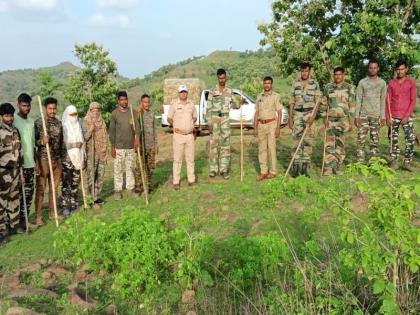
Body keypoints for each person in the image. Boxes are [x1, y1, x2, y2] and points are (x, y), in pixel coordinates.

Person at [206, 68, 242, 180]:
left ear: (226, 78)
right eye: (220, 78)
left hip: (225, 119)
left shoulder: (230, 91)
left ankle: (224, 170)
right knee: (213, 145)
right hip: (215, 119)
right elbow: (208, 108)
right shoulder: (212, 91)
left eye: (223, 78)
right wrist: (209, 123)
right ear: (217, 78)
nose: (222, 80)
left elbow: (235, 105)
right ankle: (213, 170)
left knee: (225, 145)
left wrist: (239, 103)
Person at [289, 62, 321, 177]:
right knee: (296, 141)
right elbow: (292, 101)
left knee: (308, 141)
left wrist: (313, 117)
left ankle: (305, 168)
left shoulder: (315, 84)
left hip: (309, 114)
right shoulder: (295, 84)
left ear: (310, 71)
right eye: (302, 71)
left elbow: (318, 102)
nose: (304, 73)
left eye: (306, 71)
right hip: (298, 114)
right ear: (300, 71)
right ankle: (296, 168)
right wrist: (290, 118)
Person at [34, 97, 63, 226]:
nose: (52, 111)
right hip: (43, 160)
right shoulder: (39, 123)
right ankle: (39, 217)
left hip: (56, 160)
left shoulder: (58, 123)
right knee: (41, 189)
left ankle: (53, 213)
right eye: (50, 108)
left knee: (54, 188)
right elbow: (33, 142)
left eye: (54, 108)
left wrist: (60, 159)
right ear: (45, 108)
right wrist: (42, 142)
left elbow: (60, 143)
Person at [322, 67, 355, 176]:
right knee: (329, 144)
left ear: (343, 75)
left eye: (340, 74)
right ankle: (328, 167)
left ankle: (338, 165)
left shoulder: (349, 88)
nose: (338, 76)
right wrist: (324, 118)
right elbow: (323, 104)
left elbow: (351, 105)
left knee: (340, 144)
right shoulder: (328, 87)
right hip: (330, 120)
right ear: (334, 75)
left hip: (343, 120)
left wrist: (351, 122)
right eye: (336, 74)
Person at [386, 60, 417, 172]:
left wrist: (406, 116)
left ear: (406, 69)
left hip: (406, 116)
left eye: (402, 69)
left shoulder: (411, 83)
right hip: (393, 115)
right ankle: (394, 161)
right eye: (398, 69)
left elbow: (413, 100)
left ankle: (407, 162)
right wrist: (388, 117)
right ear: (396, 70)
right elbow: (387, 100)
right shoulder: (391, 83)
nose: (400, 71)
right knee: (393, 139)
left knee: (410, 139)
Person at [109, 91, 140, 200]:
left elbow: (137, 127)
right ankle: (118, 191)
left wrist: (137, 139)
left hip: (131, 146)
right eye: (121, 100)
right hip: (119, 147)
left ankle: (130, 189)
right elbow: (112, 131)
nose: (124, 102)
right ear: (118, 101)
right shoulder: (114, 114)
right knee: (118, 169)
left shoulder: (133, 112)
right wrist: (112, 147)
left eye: (125, 99)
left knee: (130, 168)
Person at [355, 60, 387, 163]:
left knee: (375, 140)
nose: (372, 70)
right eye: (370, 67)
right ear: (368, 69)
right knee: (361, 139)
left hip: (376, 115)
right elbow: (358, 99)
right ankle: (360, 161)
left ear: (378, 69)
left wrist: (383, 117)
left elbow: (383, 100)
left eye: (375, 68)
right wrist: (357, 116)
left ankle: (374, 162)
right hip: (363, 115)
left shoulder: (382, 83)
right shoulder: (362, 82)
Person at [0, 103, 23, 245]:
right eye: (7, 116)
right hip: (3, 171)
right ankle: (1, 231)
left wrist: (20, 172)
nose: (9, 118)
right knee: (1, 202)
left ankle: (14, 225)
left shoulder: (16, 130)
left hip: (15, 170)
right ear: (1, 117)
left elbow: (19, 152)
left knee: (14, 198)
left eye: (11, 115)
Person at [167, 85, 197, 190]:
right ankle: (176, 181)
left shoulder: (191, 104)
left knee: (190, 159)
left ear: (187, 93)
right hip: (178, 135)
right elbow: (169, 118)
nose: (183, 93)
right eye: (181, 92)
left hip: (189, 135)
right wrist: (175, 126)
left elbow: (195, 116)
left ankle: (191, 180)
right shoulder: (174, 104)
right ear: (178, 93)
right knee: (177, 160)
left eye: (185, 92)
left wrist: (191, 125)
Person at [13, 93, 35, 232]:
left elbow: (33, 144)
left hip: (30, 164)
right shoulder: (13, 120)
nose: (26, 108)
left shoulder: (31, 121)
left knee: (28, 195)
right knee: (18, 196)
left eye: (28, 106)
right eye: (23, 105)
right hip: (18, 166)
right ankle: (17, 224)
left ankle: (25, 221)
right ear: (18, 105)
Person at [253, 76, 283, 181]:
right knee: (262, 149)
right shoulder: (259, 97)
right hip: (261, 125)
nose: (267, 85)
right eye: (265, 83)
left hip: (271, 125)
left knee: (271, 148)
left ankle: (273, 172)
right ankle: (263, 172)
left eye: (269, 83)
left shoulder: (276, 96)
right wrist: (255, 127)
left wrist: (278, 128)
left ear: (271, 84)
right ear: (263, 84)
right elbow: (256, 112)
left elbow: (279, 112)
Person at [61, 105, 85, 217]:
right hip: (67, 159)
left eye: (75, 114)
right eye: (72, 115)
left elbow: (82, 141)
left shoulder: (78, 125)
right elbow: (63, 144)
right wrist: (75, 145)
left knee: (75, 182)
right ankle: (66, 206)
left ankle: (75, 204)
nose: (74, 116)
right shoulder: (64, 127)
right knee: (66, 183)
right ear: (67, 115)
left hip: (78, 158)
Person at [83, 102, 108, 206]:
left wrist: (105, 151)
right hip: (91, 154)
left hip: (101, 153)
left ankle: (96, 197)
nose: (96, 111)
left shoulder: (102, 122)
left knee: (100, 176)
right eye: (93, 110)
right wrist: (90, 130)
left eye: (97, 109)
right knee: (91, 177)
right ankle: (89, 199)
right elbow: (83, 138)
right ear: (90, 110)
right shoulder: (86, 122)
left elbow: (106, 137)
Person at [136, 94, 158, 194]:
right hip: (141, 145)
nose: (147, 104)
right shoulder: (138, 114)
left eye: (148, 102)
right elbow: (132, 124)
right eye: (145, 102)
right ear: (141, 103)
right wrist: (138, 112)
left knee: (150, 167)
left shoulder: (152, 114)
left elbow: (154, 130)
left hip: (150, 145)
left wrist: (156, 145)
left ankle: (148, 186)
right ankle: (139, 186)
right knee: (140, 166)